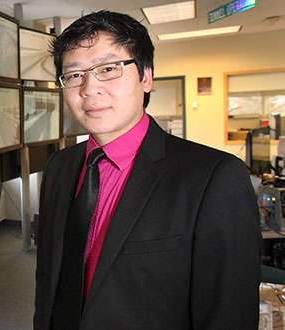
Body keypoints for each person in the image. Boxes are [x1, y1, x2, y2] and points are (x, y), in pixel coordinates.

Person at [34, 10, 261, 329]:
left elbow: (228, 313)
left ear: (146, 77)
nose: (89, 88)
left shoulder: (215, 177)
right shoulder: (60, 166)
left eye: (109, 69)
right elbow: (49, 279)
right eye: (75, 75)